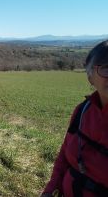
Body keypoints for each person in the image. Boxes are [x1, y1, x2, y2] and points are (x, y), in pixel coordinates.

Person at [41, 40, 108, 197]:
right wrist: (51, 190)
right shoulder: (82, 111)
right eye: (106, 68)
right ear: (91, 78)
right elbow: (65, 154)